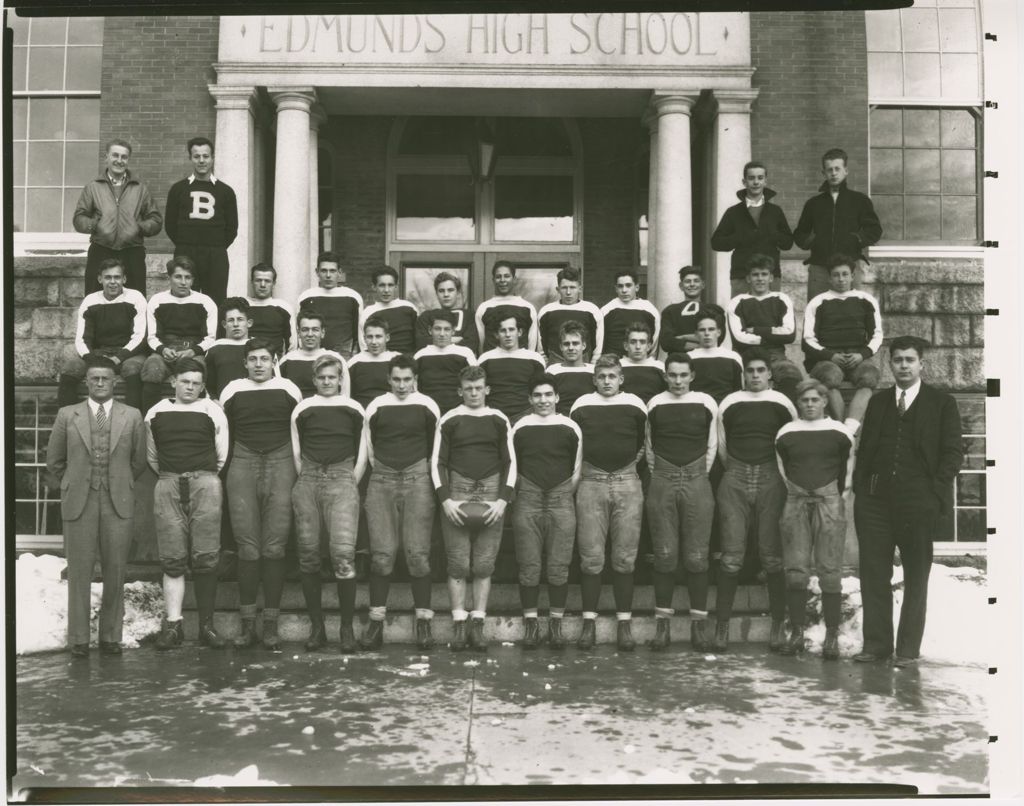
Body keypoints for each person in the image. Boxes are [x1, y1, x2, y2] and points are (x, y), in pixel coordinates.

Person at [852, 336, 963, 667]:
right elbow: (867, 449)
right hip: (875, 503)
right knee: (873, 573)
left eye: (909, 360)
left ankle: (908, 651)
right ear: (890, 364)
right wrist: (861, 489)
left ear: (921, 364)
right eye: (897, 360)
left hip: (918, 502)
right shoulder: (879, 402)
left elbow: (953, 453)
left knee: (916, 576)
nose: (903, 365)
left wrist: (933, 491)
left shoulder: (942, 403)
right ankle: (876, 646)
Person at [45, 356, 147, 658]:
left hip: (118, 501)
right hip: (80, 502)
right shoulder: (67, 415)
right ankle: (78, 639)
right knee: (79, 572)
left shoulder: (132, 415)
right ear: (86, 382)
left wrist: (118, 481)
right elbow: (55, 460)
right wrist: (75, 482)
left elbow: (138, 462)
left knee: (116, 570)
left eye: (105, 378)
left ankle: (110, 637)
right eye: (94, 379)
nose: (100, 383)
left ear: (115, 381)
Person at [221, 339, 303, 650]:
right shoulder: (231, 390)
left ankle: (270, 624)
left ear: (274, 361)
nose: (258, 364)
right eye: (253, 358)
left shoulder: (289, 388)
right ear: (244, 362)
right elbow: (221, 430)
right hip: (243, 462)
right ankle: (246, 625)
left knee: (274, 545)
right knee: (248, 545)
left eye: (264, 358)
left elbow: (300, 431)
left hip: (281, 462)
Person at [714, 350, 797, 652]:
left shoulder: (782, 403)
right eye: (750, 370)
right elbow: (721, 445)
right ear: (744, 374)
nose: (755, 375)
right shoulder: (730, 402)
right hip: (735, 475)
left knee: (772, 554)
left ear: (770, 375)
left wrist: (775, 474)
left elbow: (790, 439)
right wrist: (737, 469)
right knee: (732, 554)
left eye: (761, 370)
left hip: (771, 476)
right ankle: (722, 626)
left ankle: (778, 625)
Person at [145, 358, 230, 650]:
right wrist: (173, 476)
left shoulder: (212, 411)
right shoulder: (156, 412)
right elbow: (152, 456)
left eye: (196, 383)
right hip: (168, 482)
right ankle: (174, 626)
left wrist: (201, 478)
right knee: (172, 558)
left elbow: (222, 455)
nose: (190, 387)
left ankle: (207, 626)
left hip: (205, 482)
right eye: (185, 381)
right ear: (173, 382)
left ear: (202, 386)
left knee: (206, 556)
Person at [431, 365, 517, 652]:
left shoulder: (498, 419)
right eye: (468, 388)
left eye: (479, 387)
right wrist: (445, 499)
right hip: (457, 490)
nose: (474, 393)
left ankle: (477, 625)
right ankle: (458, 626)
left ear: (487, 389)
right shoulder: (450, 419)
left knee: (483, 564)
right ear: (460, 391)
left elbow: (510, 462)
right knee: (457, 563)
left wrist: (503, 500)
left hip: (492, 492)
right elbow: (437, 462)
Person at [362, 355, 441, 650]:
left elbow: (436, 448)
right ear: (388, 379)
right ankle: (375, 622)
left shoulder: (428, 405)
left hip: (417, 479)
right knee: (382, 555)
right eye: (396, 379)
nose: (402, 385)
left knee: (417, 555)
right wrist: (384, 471)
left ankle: (423, 622)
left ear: (415, 379)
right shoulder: (377, 406)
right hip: (382, 479)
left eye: (407, 379)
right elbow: (368, 448)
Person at [290, 353, 367, 653]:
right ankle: (317, 628)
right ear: (314, 380)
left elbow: (362, 451)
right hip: (308, 480)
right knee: (308, 555)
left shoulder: (353, 408)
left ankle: (346, 629)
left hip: (342, 479)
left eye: (331, 377)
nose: (326, 382)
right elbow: (296, 450)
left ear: (340, 379)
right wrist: (309, 477)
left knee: (343, 555)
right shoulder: (303, 409)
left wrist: (348, 480)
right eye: (321, 378)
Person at [570, 355, 648, 651]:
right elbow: (575, 445)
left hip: (627, 482)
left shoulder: (636, 404)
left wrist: (627, 469)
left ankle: (624, 625)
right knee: (591, 557)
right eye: (601, 376)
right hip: (591, 482)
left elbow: (643, 441)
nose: (606, 381)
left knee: (625, 557)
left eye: (612, 376)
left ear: (621, 378)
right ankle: (588, 623)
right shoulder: (581, 405)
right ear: (594, 378)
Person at [775, 378, 855, 659]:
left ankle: (831, 635)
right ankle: (797, 632)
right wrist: (797, 494)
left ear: (824, 401)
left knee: (829, 570)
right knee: (795, 569)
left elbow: (847, 468)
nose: (809, 405)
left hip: (829, 502)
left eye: (814, 400)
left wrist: (836, 498)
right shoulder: (786, 432)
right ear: (798, 403)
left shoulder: (839, 432)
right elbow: (782, 467)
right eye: (804, 400)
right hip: (795, 501)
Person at [645, 353, 718, 651]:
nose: (677, 381)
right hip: (662, 479)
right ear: (665, 375)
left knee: (697, 556)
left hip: (697, 478)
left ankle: (698, 627)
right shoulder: (655, 403)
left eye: (683, 375)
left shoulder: (706, 402)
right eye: (672, 375)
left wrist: (696, 475)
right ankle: (662, 627)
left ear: (692, 375)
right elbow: (649, 447)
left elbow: (714, 444)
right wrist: (664, 475)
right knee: (664, 554)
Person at [511, 375, 582, 649]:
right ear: (530, 399)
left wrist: (562, 493)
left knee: (558, 567)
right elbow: (513, 465)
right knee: (529, 566)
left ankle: (556, 625)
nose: (543, 400)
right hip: (527, 499)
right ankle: (531, 625)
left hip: (561, 498)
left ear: (557, 397)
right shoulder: (520, 426)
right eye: (537, 395)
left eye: (548, 394)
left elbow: (577, 468)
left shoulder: (570, 427)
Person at [801, 253, 883, 434]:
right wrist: (831, 355)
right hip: (828, 358)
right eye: (836, 275)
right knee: (829, 377)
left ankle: (850, 428)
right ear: (829, 278)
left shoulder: (866, 300)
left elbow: (877, 335)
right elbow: (807, 340)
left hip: (857, 357)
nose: (841, 279)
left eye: (845, 274)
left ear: (853, 276)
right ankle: (840, 428)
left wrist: (862, 354)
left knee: (870, 376)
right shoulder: (818, 302)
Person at [72, 138, 162, 294]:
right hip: (101, 250)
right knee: (96, 300)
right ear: (106, 157)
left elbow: (156, 220)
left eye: (124, 157)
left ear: (128, 160)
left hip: (132, 252)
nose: (119, 161)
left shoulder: (140, 189)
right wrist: (96, 224)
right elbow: (79, 219)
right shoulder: (93, 187)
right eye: (115, 155)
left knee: (135, 302)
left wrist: (139, 227)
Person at [57, 258, 147, 410]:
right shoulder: (91, 300)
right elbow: (82, 339)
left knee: (132, 369)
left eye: (117, 277)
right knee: (70, 368)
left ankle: (133, 423)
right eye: (108, 277)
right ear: (100, 279)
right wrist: (93, 359)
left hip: (129, 354)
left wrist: (119, 358)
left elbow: (140, 335)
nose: (113, 282)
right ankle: (68, 423)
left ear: (124, 279)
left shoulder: (135, 297)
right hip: (99, 354)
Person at [793, 147, 882, 301]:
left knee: (852, 311)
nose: (833, 173)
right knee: (817, 311)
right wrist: (814, 241)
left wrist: (855, 239)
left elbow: (874, 230)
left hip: (850, 267)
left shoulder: (859, 201)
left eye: (837, 169)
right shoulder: (813, 204)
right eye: (829, 170)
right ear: (823, 173)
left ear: (845, 171)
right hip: (820, 268)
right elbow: (800, 234)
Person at [164, 136, 238, 306]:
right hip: (186, 251)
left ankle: (215, 334)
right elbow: (170, 225)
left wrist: (214, 246)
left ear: (212, 158)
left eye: (206, 156)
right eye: (197, 156)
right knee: (185, 299)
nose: (201, 161)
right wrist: (187, 244)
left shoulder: (225, 191)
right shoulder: (178, 189)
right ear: (191, 158)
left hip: (215, 253)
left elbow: (232, 228)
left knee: (216, 300)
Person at [140, 256, 218, 414]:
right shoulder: (157, 300)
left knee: (200, 368)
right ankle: (150, 419)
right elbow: (152, 336)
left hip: (193, 352)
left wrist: (193, 351)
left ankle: (198, 417)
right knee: (152, 366)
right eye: (178, 277)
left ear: (193, 280)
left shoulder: (205, 301)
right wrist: (163, 350)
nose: (183, 282)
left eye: (187, 277)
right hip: (166, 352)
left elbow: (210, 337)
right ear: (169, 278)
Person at [710, 160, 794, 297]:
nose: (756, 182)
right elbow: (716, 242)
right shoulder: (733, 212)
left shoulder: (775, 211)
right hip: (741, 275)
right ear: (744, 182)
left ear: (765, 181)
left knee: (770, 314)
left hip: (770, 275)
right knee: (741, 313)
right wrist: (739, 237)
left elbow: (788, 243)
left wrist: (772, 235)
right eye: (751, 178)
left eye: (760, 178)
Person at [726, 253, 803, 401]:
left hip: (775, 356)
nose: (760, 278)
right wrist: (773, 333)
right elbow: (739, 338)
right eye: (755, 275)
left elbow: (789, 335)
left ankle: (786, 418)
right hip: (745, 355)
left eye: (764, 274)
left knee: (791, 376)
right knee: (730, 381)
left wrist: (756, 330)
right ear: (748, 278)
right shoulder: (737, 302)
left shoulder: (781, 299)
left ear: (771, 278)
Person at [477, 315, 546, 422]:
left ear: (520, 332)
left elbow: (541, 391)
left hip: (526, 415)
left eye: (511, 329)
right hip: (494, 415)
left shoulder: (534, 359)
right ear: (496, 334)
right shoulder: (485, 359)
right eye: (503, 331)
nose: (508, 334)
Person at [297, 252, 364, 359]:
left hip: (343, 354)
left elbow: (360, 331)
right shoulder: (306, 297)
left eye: (332, 271)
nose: (328, 275)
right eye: (324, 271)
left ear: (340, 272)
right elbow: (299, 330)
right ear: (317, 272)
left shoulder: (352, 297)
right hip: (313, 353)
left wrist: (358, 356)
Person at [414, 312, 478, 414]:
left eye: (447, 329)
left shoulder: (465, 353)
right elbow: (414, 386)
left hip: (459, 410)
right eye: (437, 329)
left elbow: (476, 381)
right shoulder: (420, 355)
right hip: (427, 409)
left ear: (453, 331)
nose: (442, 334)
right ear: (430, 330)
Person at [278, 311, 351, 399]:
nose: (310, 334)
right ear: (298, 333)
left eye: (315, 330)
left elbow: (345, 394)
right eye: (305, 330)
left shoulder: (335, 358)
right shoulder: (287, 361)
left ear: (322, 332)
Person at [537, 267, 602, 363]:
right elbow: (541, 345)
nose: (568, 292)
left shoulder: (592, 310)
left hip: (583, 363)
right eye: (564, 288)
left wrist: (593, 364)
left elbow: (597, 343)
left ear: (580, 288)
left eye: (572, 287)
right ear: (558, 289)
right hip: (555, 363)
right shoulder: (546, 311)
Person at [659, 266, 725, 355]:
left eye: (696, 281)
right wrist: (700, 345)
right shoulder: (670, 311)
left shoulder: (714, 309)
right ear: (681, 286)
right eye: (687, 281)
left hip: (707, 358)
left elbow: (718, 338)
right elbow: (666, 342)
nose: (692, 284)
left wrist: (683, 338)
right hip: (679, 362)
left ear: (703, 285)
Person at [475, 260, 539, 352]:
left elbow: (532, 343)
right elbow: (481, 344)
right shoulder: (484, 308)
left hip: (521, 363)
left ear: (514, 279)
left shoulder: (527, 307)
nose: (502, 280)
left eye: (507, 276)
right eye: (498, 277)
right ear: (493, 280)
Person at [359, 265, 419, 355]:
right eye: (382, 285)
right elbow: (364, 346)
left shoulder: (409, 308)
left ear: (396, 286)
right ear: (374, 287)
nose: (386, 290)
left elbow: (418, 339)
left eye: (390, 285)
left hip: (407, 362)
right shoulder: (368, 313)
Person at [599, 270, 659, 358]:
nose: (624, 290)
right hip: (613, 363)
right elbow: (600, 339)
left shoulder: (649, 309)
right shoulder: (606, 310)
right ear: (616, 288)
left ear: (637, 287)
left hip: (639, 362)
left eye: (628, 285)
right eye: (620, 286)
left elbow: (654, 340)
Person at [415, 272, 479, 354]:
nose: (446, 294)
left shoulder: (469, 316)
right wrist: (455, 339)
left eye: (450, 290)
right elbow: (421, 343)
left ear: (458, 292)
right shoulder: (426, 316)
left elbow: (471, 344)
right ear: (436, 293)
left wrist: (436, 341)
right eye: (441, 291)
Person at [688, 313, 744, 404]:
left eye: (711, 329)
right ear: (696, 334)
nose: (707, 333)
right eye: (702, 330)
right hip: (698, 409)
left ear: (718, 332)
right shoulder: (688, 358)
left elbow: (739, 391)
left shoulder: (733, 357)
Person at [203, 297, 253, 400]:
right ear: (224, 324)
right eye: (231, 320)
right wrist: (216, 403)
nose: (235, 324)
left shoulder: (261, 347)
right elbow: (208, 386)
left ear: (249, 323)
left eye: (240, 319)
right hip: (223, 406)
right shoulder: (215, 349)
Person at [347, 316, 400, 409]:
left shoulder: (398, 359)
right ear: (364, 338)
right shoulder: (354, 362)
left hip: (391, 411)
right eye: (370, 337)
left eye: (378, 336)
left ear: (387, 337)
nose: (374, 342)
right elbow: (348, 395)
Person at [546, 321, 595, 416]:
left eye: (575, 343)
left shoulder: (593, 371)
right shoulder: (552, 371)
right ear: (560, 346)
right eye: (566, 344)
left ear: (584, 345)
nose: (571, 348)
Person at [246, 263, 294, 358]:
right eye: (258, 280)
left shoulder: (283, 307)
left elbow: (292, 344)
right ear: (252, 282)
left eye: (267, 281)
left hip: (274, 363)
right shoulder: (243, 306)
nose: (262, 285)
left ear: (274, 283)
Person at [620, 321, 666, 404]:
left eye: (642, 342)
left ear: (648, 346)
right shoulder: (617, 367)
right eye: (633, 342)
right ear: (626, 346)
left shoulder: (660, 367)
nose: (638, 347)